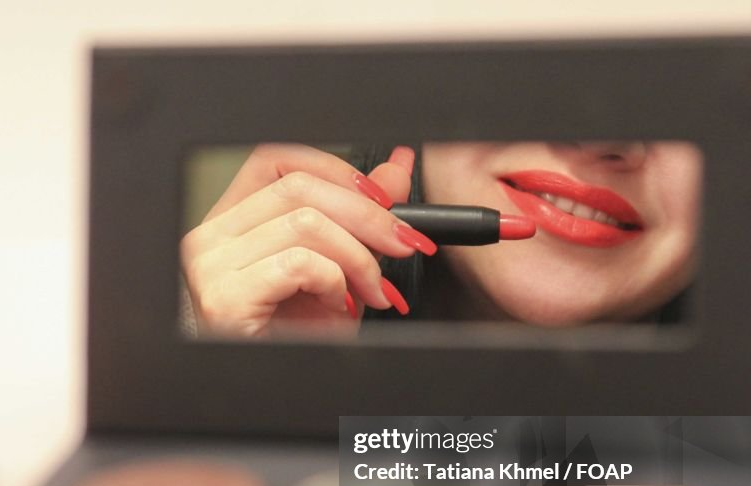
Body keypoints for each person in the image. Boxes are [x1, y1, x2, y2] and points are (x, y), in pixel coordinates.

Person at [180, 142, 702, 338]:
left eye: (683, 84)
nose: (602, 139)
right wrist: (260, 401)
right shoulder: (207, 318)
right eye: (539, 57)